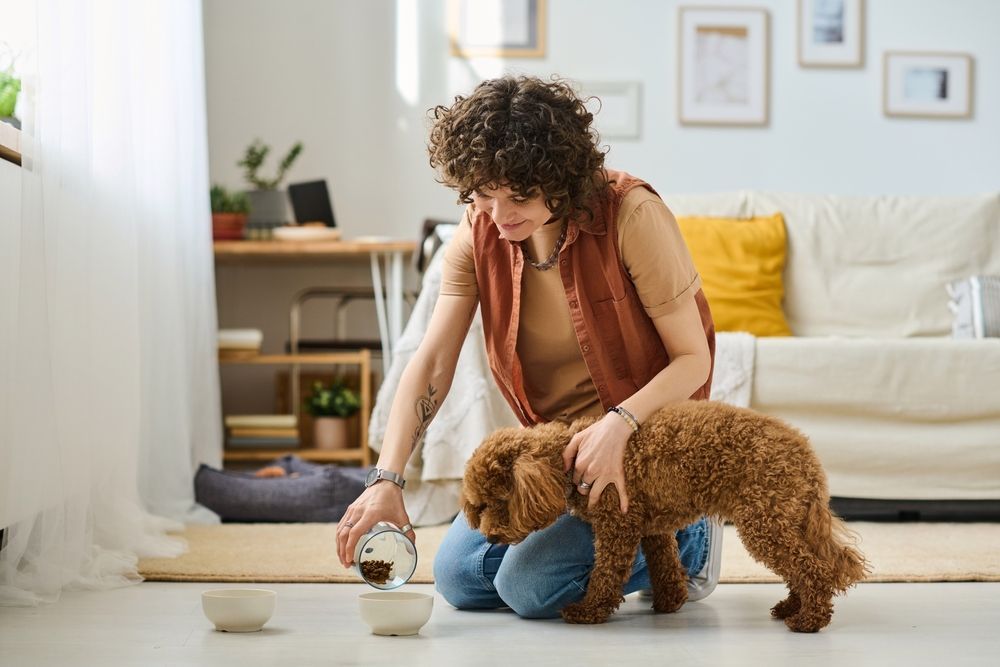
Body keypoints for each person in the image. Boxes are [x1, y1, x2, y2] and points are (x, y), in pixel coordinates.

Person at [336, 74, 721, 619]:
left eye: (517, 196)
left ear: (560, 177)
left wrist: (619, 423)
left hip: (648, 449)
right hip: (558, 462)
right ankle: (576, 548)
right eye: (483, 195)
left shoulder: (631, 214)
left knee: (528, 587)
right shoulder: (481, 227)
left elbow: (693, 360)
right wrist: (387, 478)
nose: (498, 214)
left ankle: (691, 537)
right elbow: (434, 360)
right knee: (458, 578)